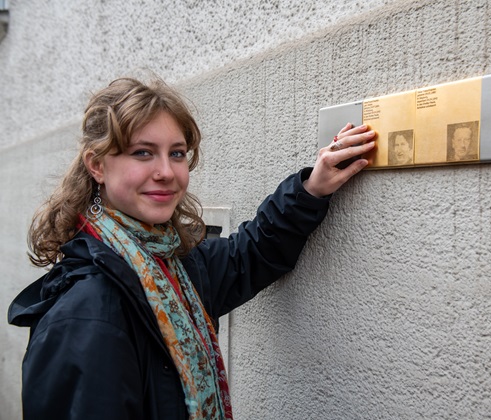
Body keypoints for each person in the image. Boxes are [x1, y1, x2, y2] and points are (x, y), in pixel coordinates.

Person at [7, 77, 375, 420]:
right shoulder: (86, 314)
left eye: (177, 153)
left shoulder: (171, 265)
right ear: (97, 165)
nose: (166, 171)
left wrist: (312, 187)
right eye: (142, 153)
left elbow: (249, 254)